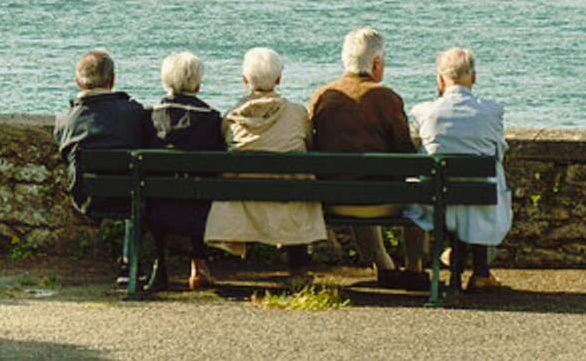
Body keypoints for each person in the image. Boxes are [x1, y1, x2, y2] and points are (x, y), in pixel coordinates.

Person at [308, 27, 425, 289]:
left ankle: (384, 266)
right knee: (415, 190)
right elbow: (406, 155)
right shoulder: (387, 98)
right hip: (379, 200)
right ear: (376, 63)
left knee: (354, 179)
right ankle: (414, 268)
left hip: (335, 199)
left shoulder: (321, 97)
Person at [204, 47, 326, 280]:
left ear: (244, 80)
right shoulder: (298, 113)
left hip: (244, 203)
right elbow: (310, 145)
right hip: (291, 200)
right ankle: (298, 268)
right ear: (279, 79)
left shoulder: (231, 117)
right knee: (295, 186)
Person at [406, 47, 512, 292]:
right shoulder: (491, 112)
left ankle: (456, 260)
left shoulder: (424, 112)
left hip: (435, 202)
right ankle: (481, 272)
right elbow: (499, 152)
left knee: (454, 195)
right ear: (473, 78)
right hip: (480, 199)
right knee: (482, 190)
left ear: (440, 79)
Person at [53, 49, 153, 283]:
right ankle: (130, 264)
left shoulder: (65, 120)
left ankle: (129, 264)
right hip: (131, 197)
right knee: (136, 189)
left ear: (78, 81)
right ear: (112, 80)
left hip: (86, 197)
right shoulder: (134, 113)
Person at [146, 51, 225, 292]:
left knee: (158, 188)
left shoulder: (149, 117)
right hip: (199, 207)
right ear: (198, 85)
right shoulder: (211, 119)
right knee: (201, 187)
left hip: (156, 207)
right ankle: (198, 265)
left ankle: (159, 265)